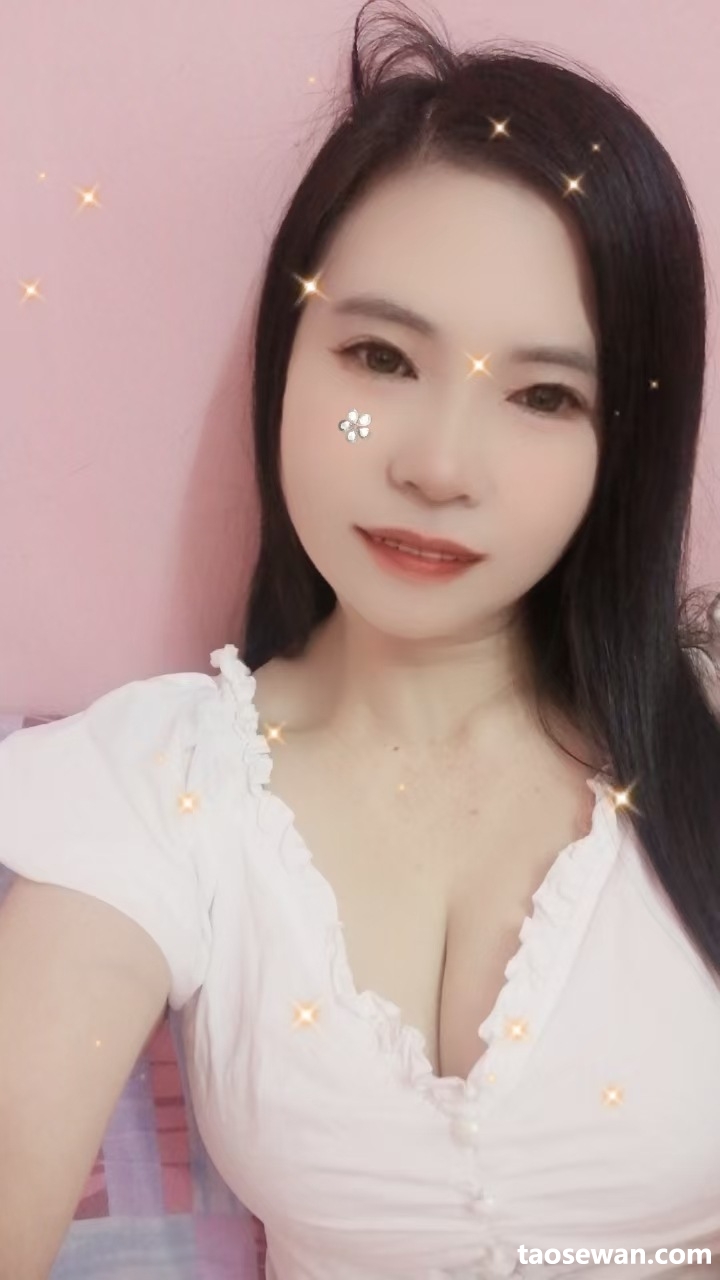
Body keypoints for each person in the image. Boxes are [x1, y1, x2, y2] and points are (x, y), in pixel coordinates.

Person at [1, 2, 720, 1277]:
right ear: (292, 361)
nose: (438, 466)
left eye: (543, 394)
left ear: (625, 444)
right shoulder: (156, 784)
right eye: (381, 359)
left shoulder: (702, 726)